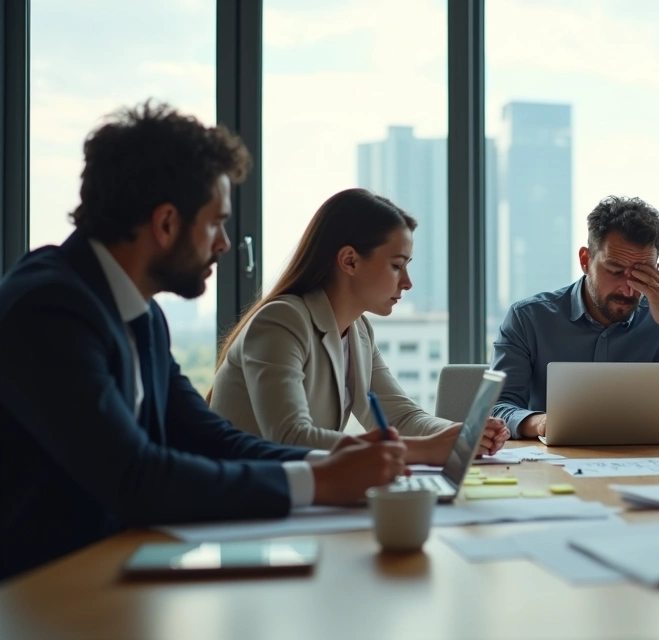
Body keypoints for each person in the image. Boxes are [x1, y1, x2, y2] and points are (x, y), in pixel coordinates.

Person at [0, 102, 406, 581]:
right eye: (216, 222)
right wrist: (317, 480)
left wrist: (331, 460)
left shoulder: (141, 314)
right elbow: (135, 476)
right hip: (40, 591)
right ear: (167, 222)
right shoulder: (48, 308)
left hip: (112, 572)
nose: (225, 244)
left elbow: (207, 436)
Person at [208, 188, 508, 460]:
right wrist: (425, 449)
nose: (407, 282)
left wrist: (466, 432)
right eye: (396, 266)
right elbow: (291, 437)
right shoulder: (281, 322)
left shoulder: (358, 331)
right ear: (350, 261)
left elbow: (400, 417)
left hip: (296, 496)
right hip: (247, 504)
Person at [491, 196, 659, 439]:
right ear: (585, 261)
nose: (628, 288)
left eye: (642, 275)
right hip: (552, 466)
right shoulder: (528, 319)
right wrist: (540, 422)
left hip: (644, 468)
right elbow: (498, 407)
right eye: (615, 271)